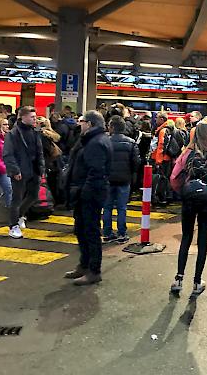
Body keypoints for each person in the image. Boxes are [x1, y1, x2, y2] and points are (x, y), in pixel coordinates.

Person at [169, 123, 207, 296]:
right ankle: (197, 282)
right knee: (202, 240)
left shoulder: (186, 154)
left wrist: (184, 192)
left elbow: (173, 178)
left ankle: (178, 279)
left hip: (189, 201)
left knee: (186, 238)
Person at [64, 111, 112, 286]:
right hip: (84, 192)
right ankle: (84, 265)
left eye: (82, 121)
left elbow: (96, 172)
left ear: (90, 124)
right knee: (81, 230)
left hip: (90, 194)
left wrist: (84, 192)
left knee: (90, 232)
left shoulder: (96, 143)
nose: (79, 124)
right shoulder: (90, 140)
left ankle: (94, 270)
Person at [2, 106, 44, 239]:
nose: (35, 119)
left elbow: (40, 152)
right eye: (32, 117)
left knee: (33, 196)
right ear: (23, 117)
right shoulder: (13, 134)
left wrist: (41, 168)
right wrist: (15, 170)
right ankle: (13, 225)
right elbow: (8, 154)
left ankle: (20, 215)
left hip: (34, 170)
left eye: (35, 116)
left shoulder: (35, 132)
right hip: (20, 171)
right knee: (17, 199)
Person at [102, 115, 140, 244]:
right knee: (122, 208)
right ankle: (122, 234)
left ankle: (107, 233)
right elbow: (136, 162)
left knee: (107, 207)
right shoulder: (131, 142)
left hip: (107, 179)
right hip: (124, 179)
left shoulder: (104, 141)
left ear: (112, 127)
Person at [36, 116, 62, 205]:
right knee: (54, 183)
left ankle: (50, 201)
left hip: (48, 162)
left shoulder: (42, 135)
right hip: (55, 162)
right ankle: (57, 200)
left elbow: (43, 150)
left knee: (49, 184)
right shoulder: (52, 134)